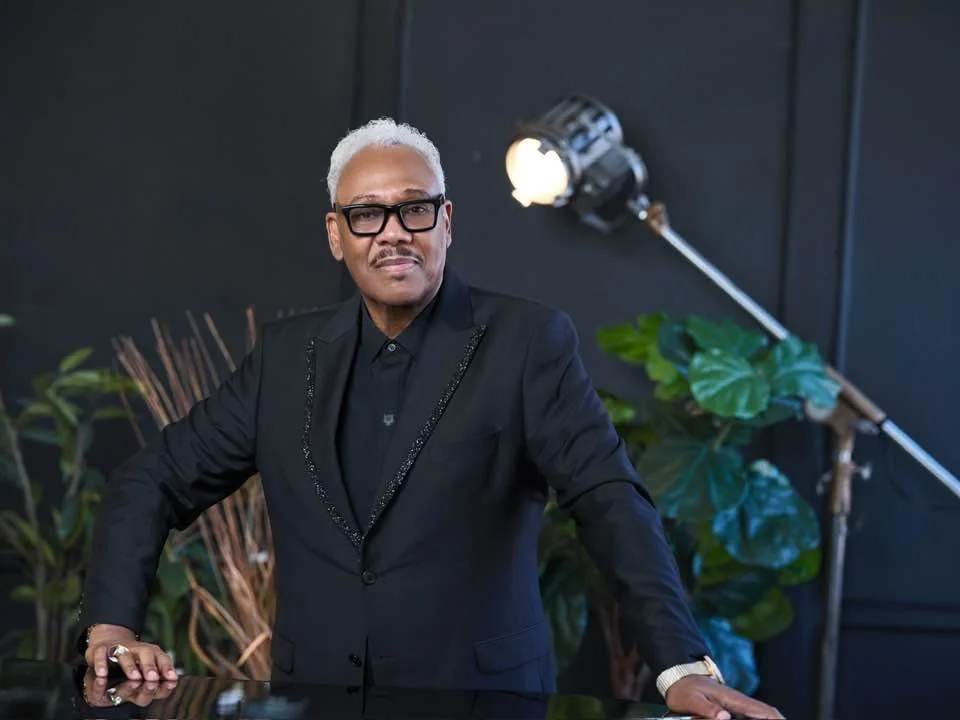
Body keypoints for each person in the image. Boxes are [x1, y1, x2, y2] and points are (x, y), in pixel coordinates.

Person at [78, 117, 782, 720]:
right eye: (366, 214)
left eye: (414, 209)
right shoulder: (286, 358)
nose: (392, 233)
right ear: (336, 233)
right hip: (313, 703)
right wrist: (113, 627)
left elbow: (609, 500)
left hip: (481, 705)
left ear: (445, 221)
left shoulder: (527, 343)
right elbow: (153, 480)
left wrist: (681, 667)